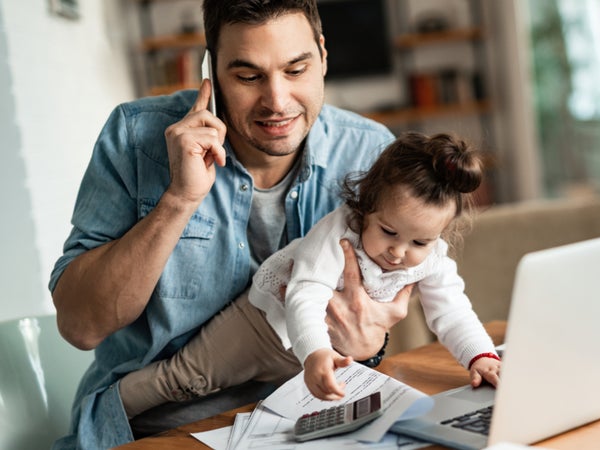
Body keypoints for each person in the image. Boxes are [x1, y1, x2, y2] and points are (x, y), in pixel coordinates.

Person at [48, 1, 411, 448]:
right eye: (248, 77)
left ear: (322, 55)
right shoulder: (134, 137)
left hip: (312, 418)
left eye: (296, 70)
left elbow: (378, 314)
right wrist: (179, 199)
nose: (277, 101)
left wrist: (369, 345)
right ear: (211, 70)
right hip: (159, 426)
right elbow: (81, 327)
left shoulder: (370, 152)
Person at [118, 131, 502, 416]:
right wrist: (316, 352)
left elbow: (452, 310)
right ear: (366, 206)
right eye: (388, 232)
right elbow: (305, 293)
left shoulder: (432, 257)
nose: (399, 253)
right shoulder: (339, 232)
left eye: (420, 242)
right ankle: (113, 406)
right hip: (262, 325)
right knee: (185, 380)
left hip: (313, 354)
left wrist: (480, 357)